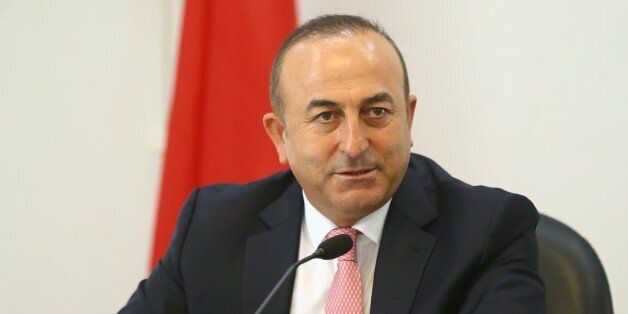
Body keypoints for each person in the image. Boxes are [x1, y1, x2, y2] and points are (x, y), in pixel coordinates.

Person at [120, 15, 546, 313]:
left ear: (408, 119)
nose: (355, 143)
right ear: (280, 136)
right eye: (326, 117)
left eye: (376, 112)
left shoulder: (487, 231)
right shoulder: (213, 227)